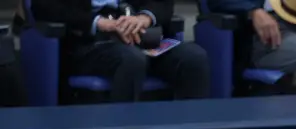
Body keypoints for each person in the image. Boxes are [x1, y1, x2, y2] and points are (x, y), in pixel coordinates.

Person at [39, 0, 210, 101]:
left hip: (139, 35)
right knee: (131, 59)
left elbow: (162, 2)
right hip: (89, 43)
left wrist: (145, 17)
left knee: (193, 58)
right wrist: (99, 23)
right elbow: (45, 7)